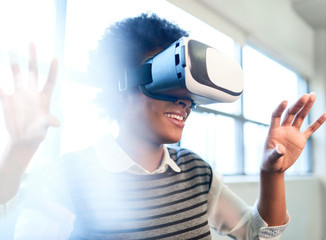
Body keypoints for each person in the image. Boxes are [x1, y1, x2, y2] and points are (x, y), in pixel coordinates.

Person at [0, 13, 326, 239]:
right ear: (121, 83)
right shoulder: (70, 175)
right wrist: (19, 153)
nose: (185, 100)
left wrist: (272, 176)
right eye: (172, 79)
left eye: (190, 90)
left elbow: (257, 236)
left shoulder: (198, 172)